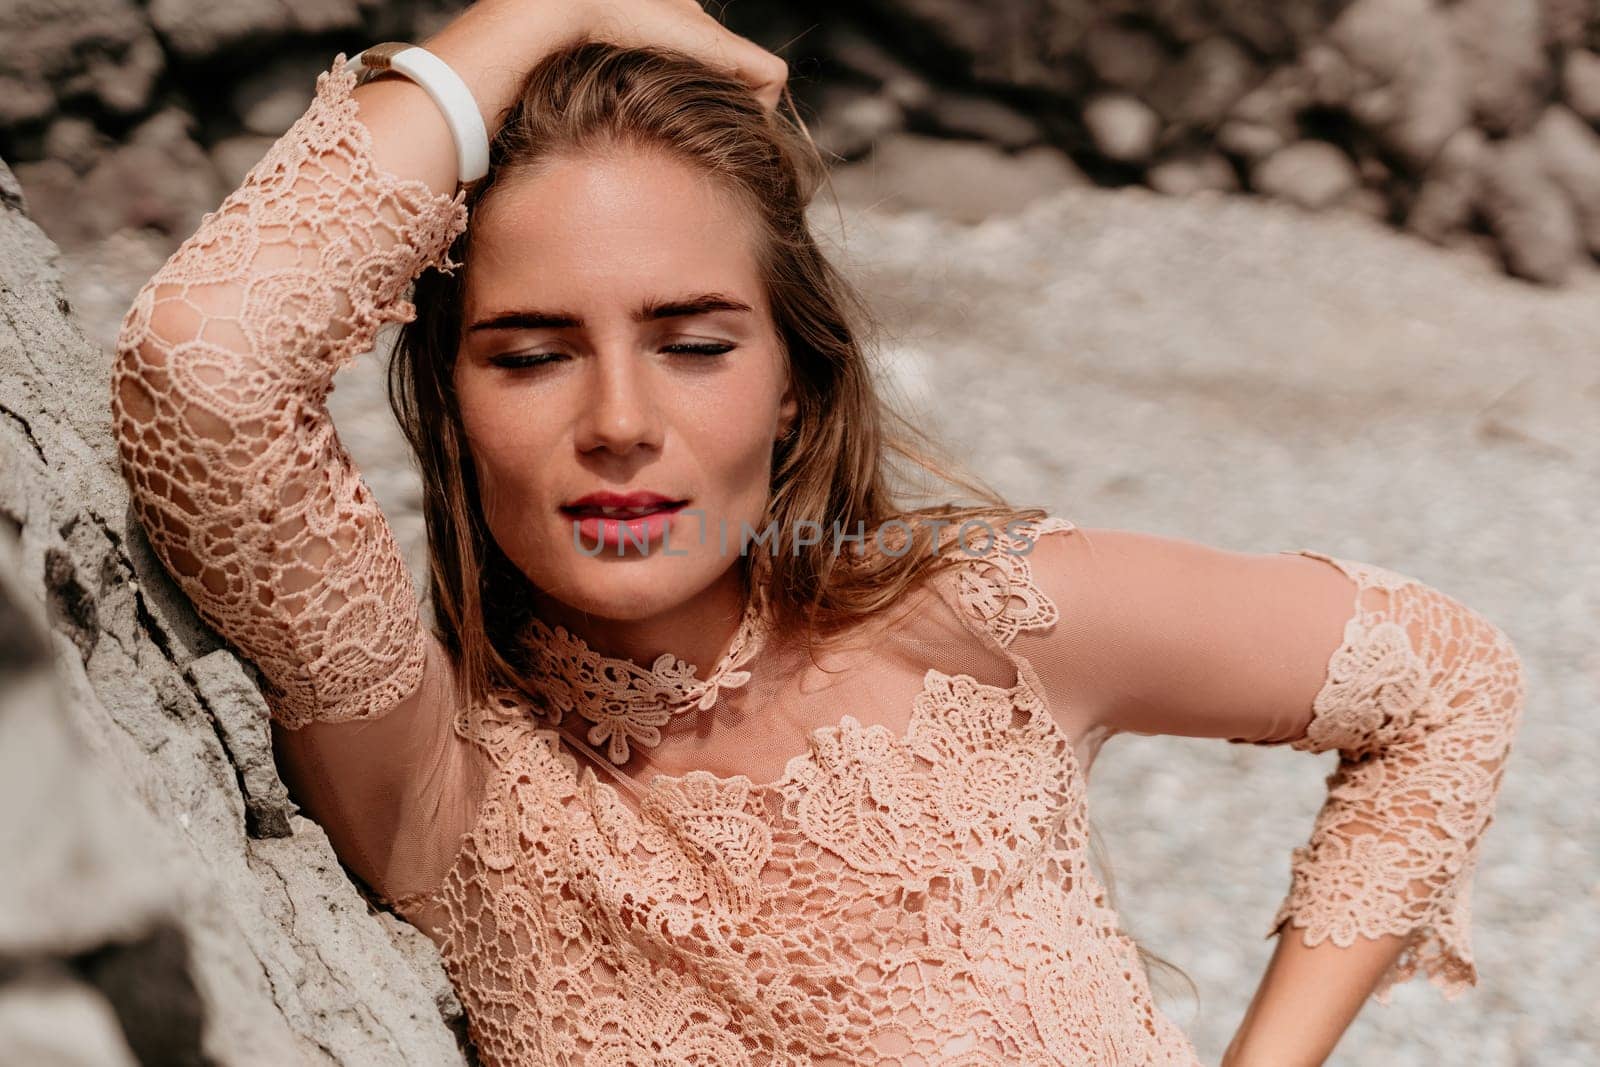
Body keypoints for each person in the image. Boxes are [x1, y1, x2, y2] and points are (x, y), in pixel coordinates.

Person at [107, 1, 1527, 1064]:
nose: (618, 421)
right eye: (531, 354)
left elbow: (1449, 682)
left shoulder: (980, 626)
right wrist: (539, 10)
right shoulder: (429, 770)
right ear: (451, 400)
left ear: (792, 386)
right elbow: (203, 365)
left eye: (694, 343)